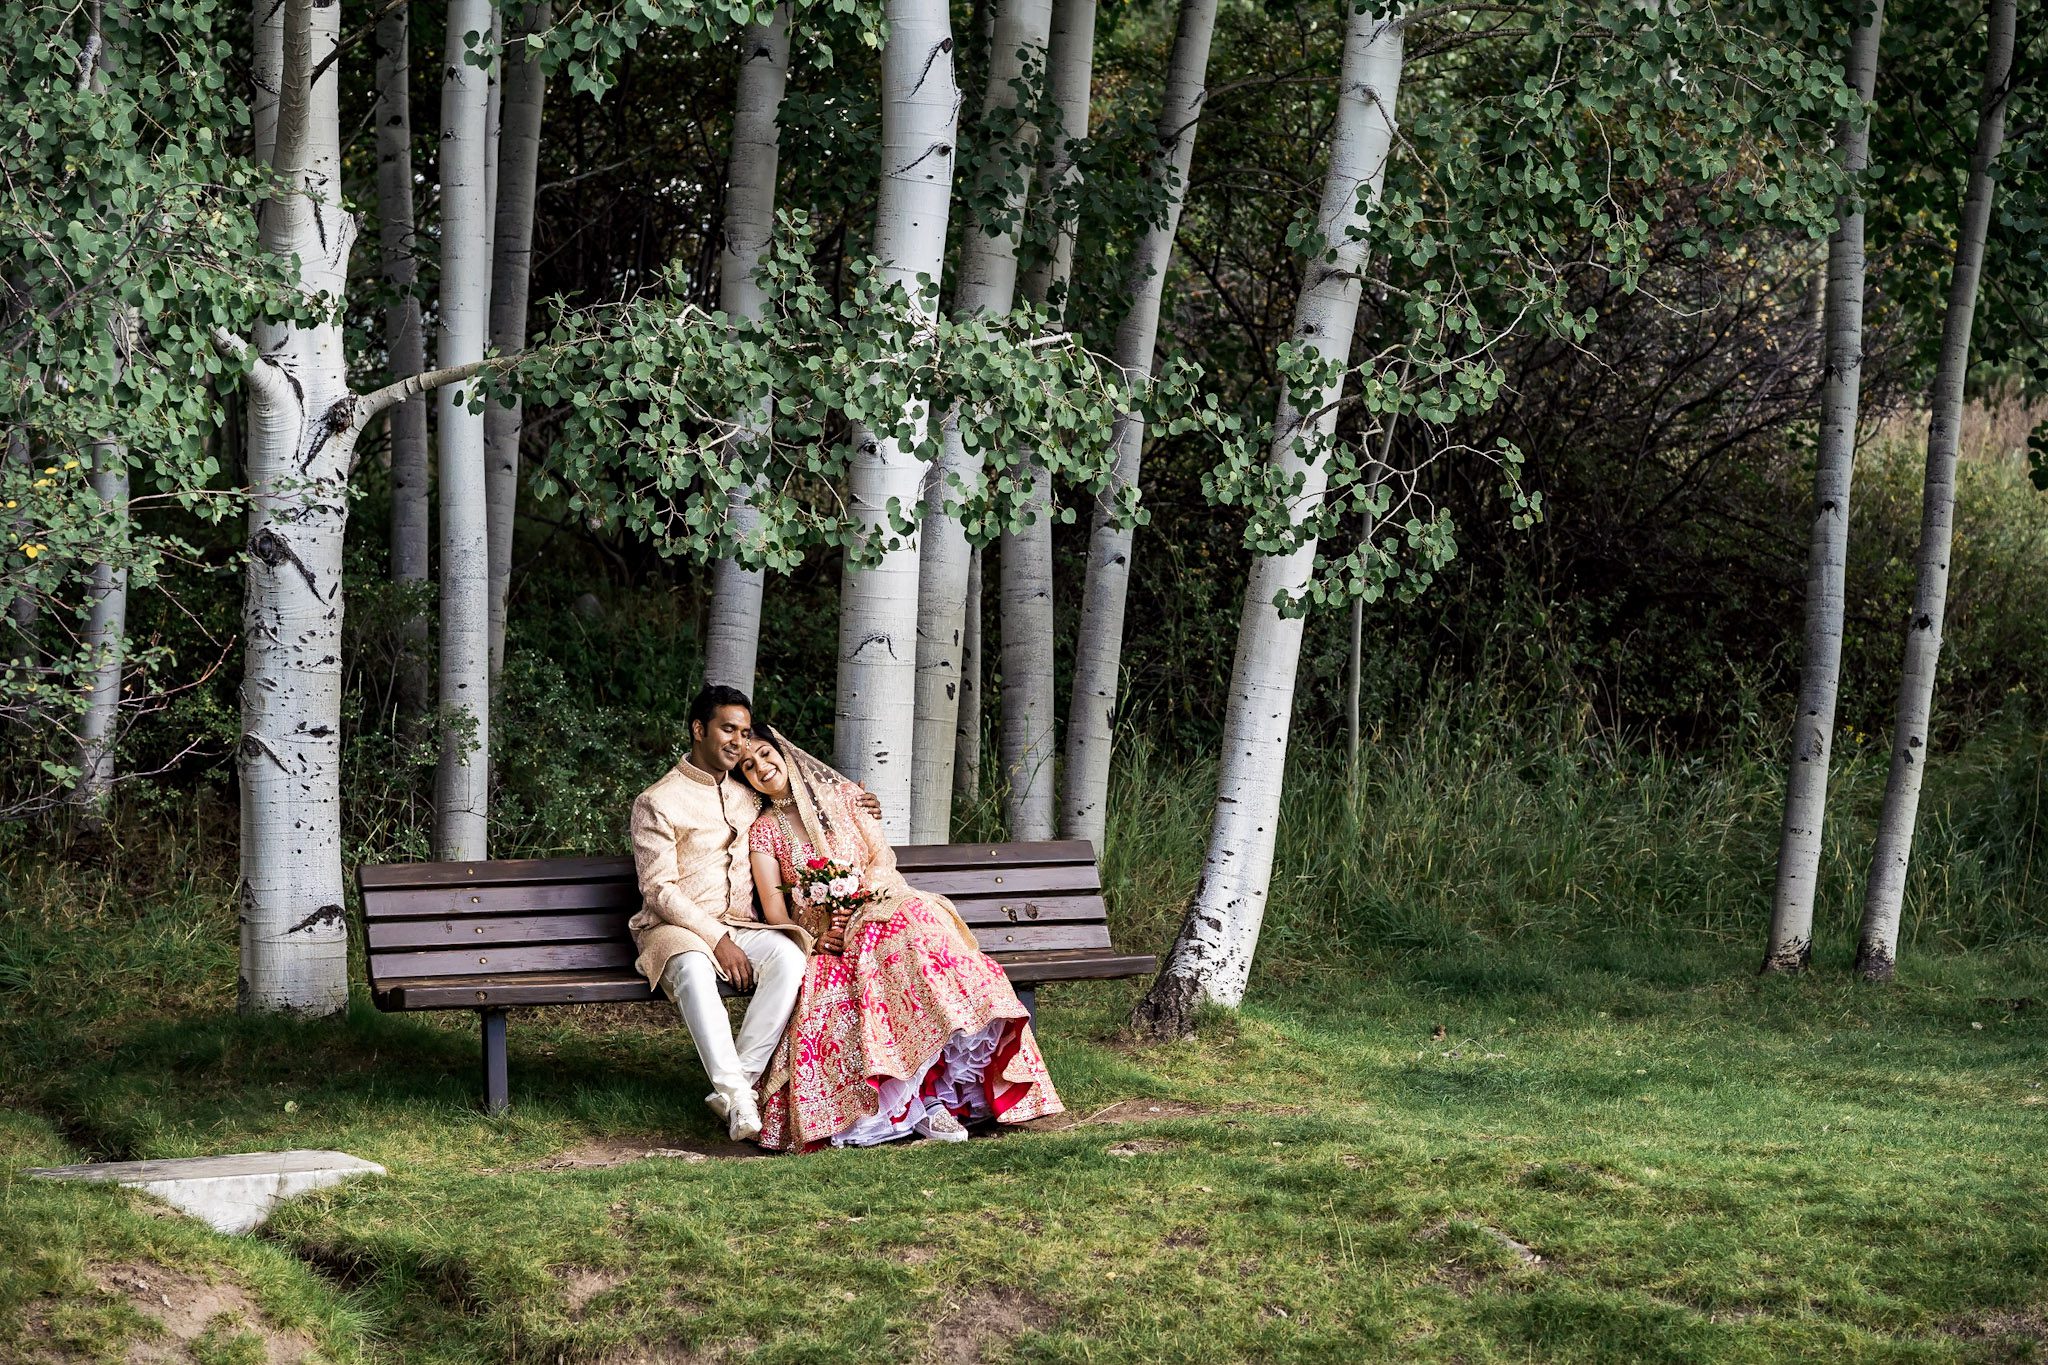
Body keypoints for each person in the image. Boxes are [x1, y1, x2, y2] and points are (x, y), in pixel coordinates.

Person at [736, 721, 1064, 1150]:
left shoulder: (844, 798)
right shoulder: (765, 830)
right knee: (867, 962)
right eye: (747, 766)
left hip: (883, 900)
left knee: (918, 928)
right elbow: (777, 909)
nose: (760, 767)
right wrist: (812, 938)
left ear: (783, 750)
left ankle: (938, 1090)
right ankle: (910, 1105)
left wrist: (864, 896)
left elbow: (880, 858)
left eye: (764, 754)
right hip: (827, 932)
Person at [627, 685, 879, 1142]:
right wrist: (716, 941)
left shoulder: (746, 794)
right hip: (674, 929)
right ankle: (742, 1098)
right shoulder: (657, 801)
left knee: (789, 959)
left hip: (741, 925)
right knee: (694, 970)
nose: (738, 743)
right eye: (728, 729)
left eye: (744, 733)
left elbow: (797, 795)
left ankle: (736, 1085)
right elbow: (658, 889)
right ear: (699, 729)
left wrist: (859, 799)